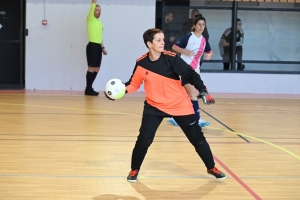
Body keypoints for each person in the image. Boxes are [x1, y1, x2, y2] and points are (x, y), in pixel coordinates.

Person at [104, 28, 226, 183]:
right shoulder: (141, 63)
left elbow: (190, 74)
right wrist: (119, 93)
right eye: (158, 40)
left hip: (179, 104)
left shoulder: (172, 58)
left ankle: (211, 167)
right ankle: (134, 169)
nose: (163, 43)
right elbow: (133, 85)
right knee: (144, 139)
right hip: (154, 106)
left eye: (163, 39)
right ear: (149, 44)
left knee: (197, 138)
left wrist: (202, 90)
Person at [167, 16, 211, 128]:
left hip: (196, 72)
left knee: (187, 95)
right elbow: (175, 47)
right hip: (185, 70)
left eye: (203, 25)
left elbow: (209, 51)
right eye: (199, 24)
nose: (201, 27)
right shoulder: (188, 37)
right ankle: (197, 120)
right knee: (194, 94)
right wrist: (186, 51)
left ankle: (176, 117)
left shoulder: (204, 40)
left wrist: (209, 55)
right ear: (194, 26)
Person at [85, 0, 107, 96]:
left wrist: (103, 48)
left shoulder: (99, 22)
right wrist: (94, 3)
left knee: (97, 69)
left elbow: (100, 37)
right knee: (91, 68)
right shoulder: (90, 19)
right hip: (92, 46)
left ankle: (90, 88)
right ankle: (88, 89)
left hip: (98, 47)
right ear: (93, 11)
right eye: (97, 10)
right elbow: (93, 3)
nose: (99, 12)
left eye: (100, 10)